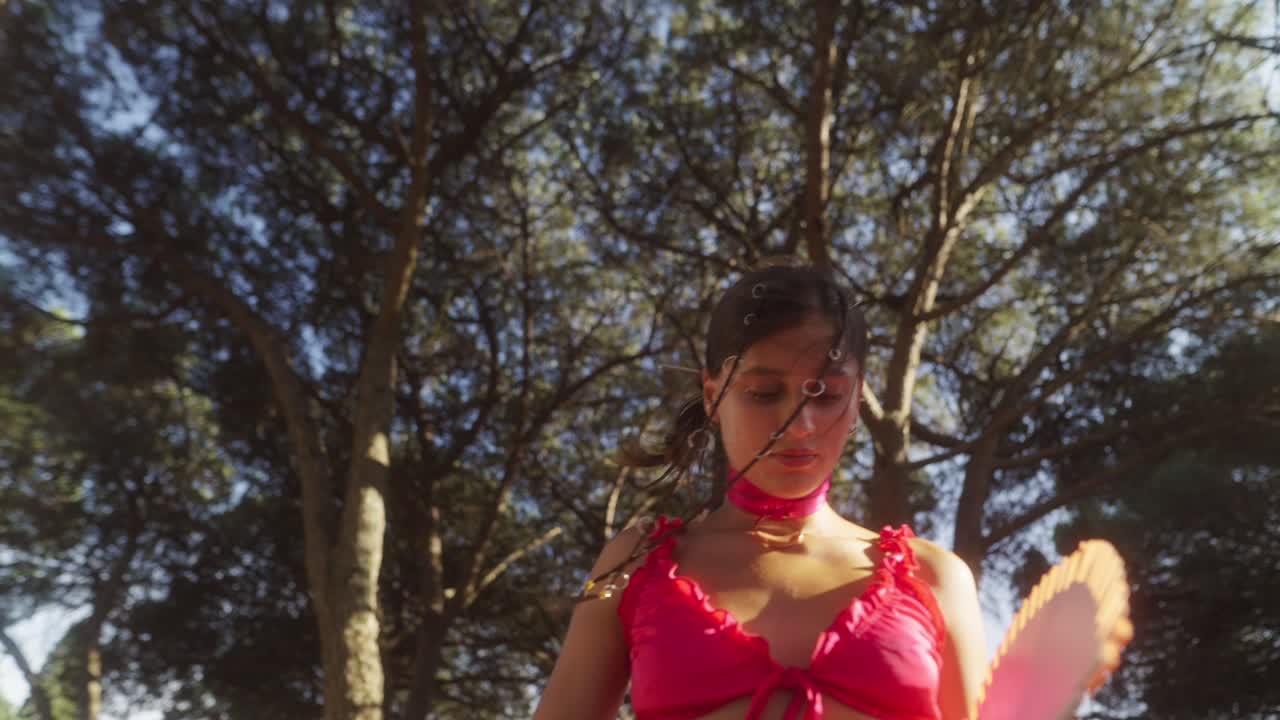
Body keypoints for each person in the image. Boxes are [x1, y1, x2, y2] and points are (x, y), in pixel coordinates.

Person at [534, 263, 987, 720]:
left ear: (856, 404)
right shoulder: (636, 564)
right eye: (764, 392)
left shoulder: (934, 578)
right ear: (712, 396)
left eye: (828, 395)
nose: (800, 425)